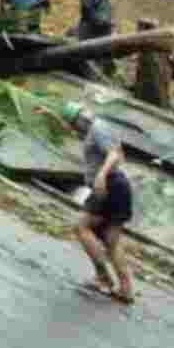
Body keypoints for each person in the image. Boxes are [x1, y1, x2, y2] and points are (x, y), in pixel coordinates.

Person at [47, 103, 135, 305]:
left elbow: (114, 153)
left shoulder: (98, 129)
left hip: (109, 185)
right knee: (111, 241)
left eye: (75, 123)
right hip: (119, 186)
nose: (76, 127)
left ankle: (103, 277)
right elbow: (84, 138)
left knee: (82, 227)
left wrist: (101, 176)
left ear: (80, 120)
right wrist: (54, 116)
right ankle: (126, 289)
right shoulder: (92, 130)